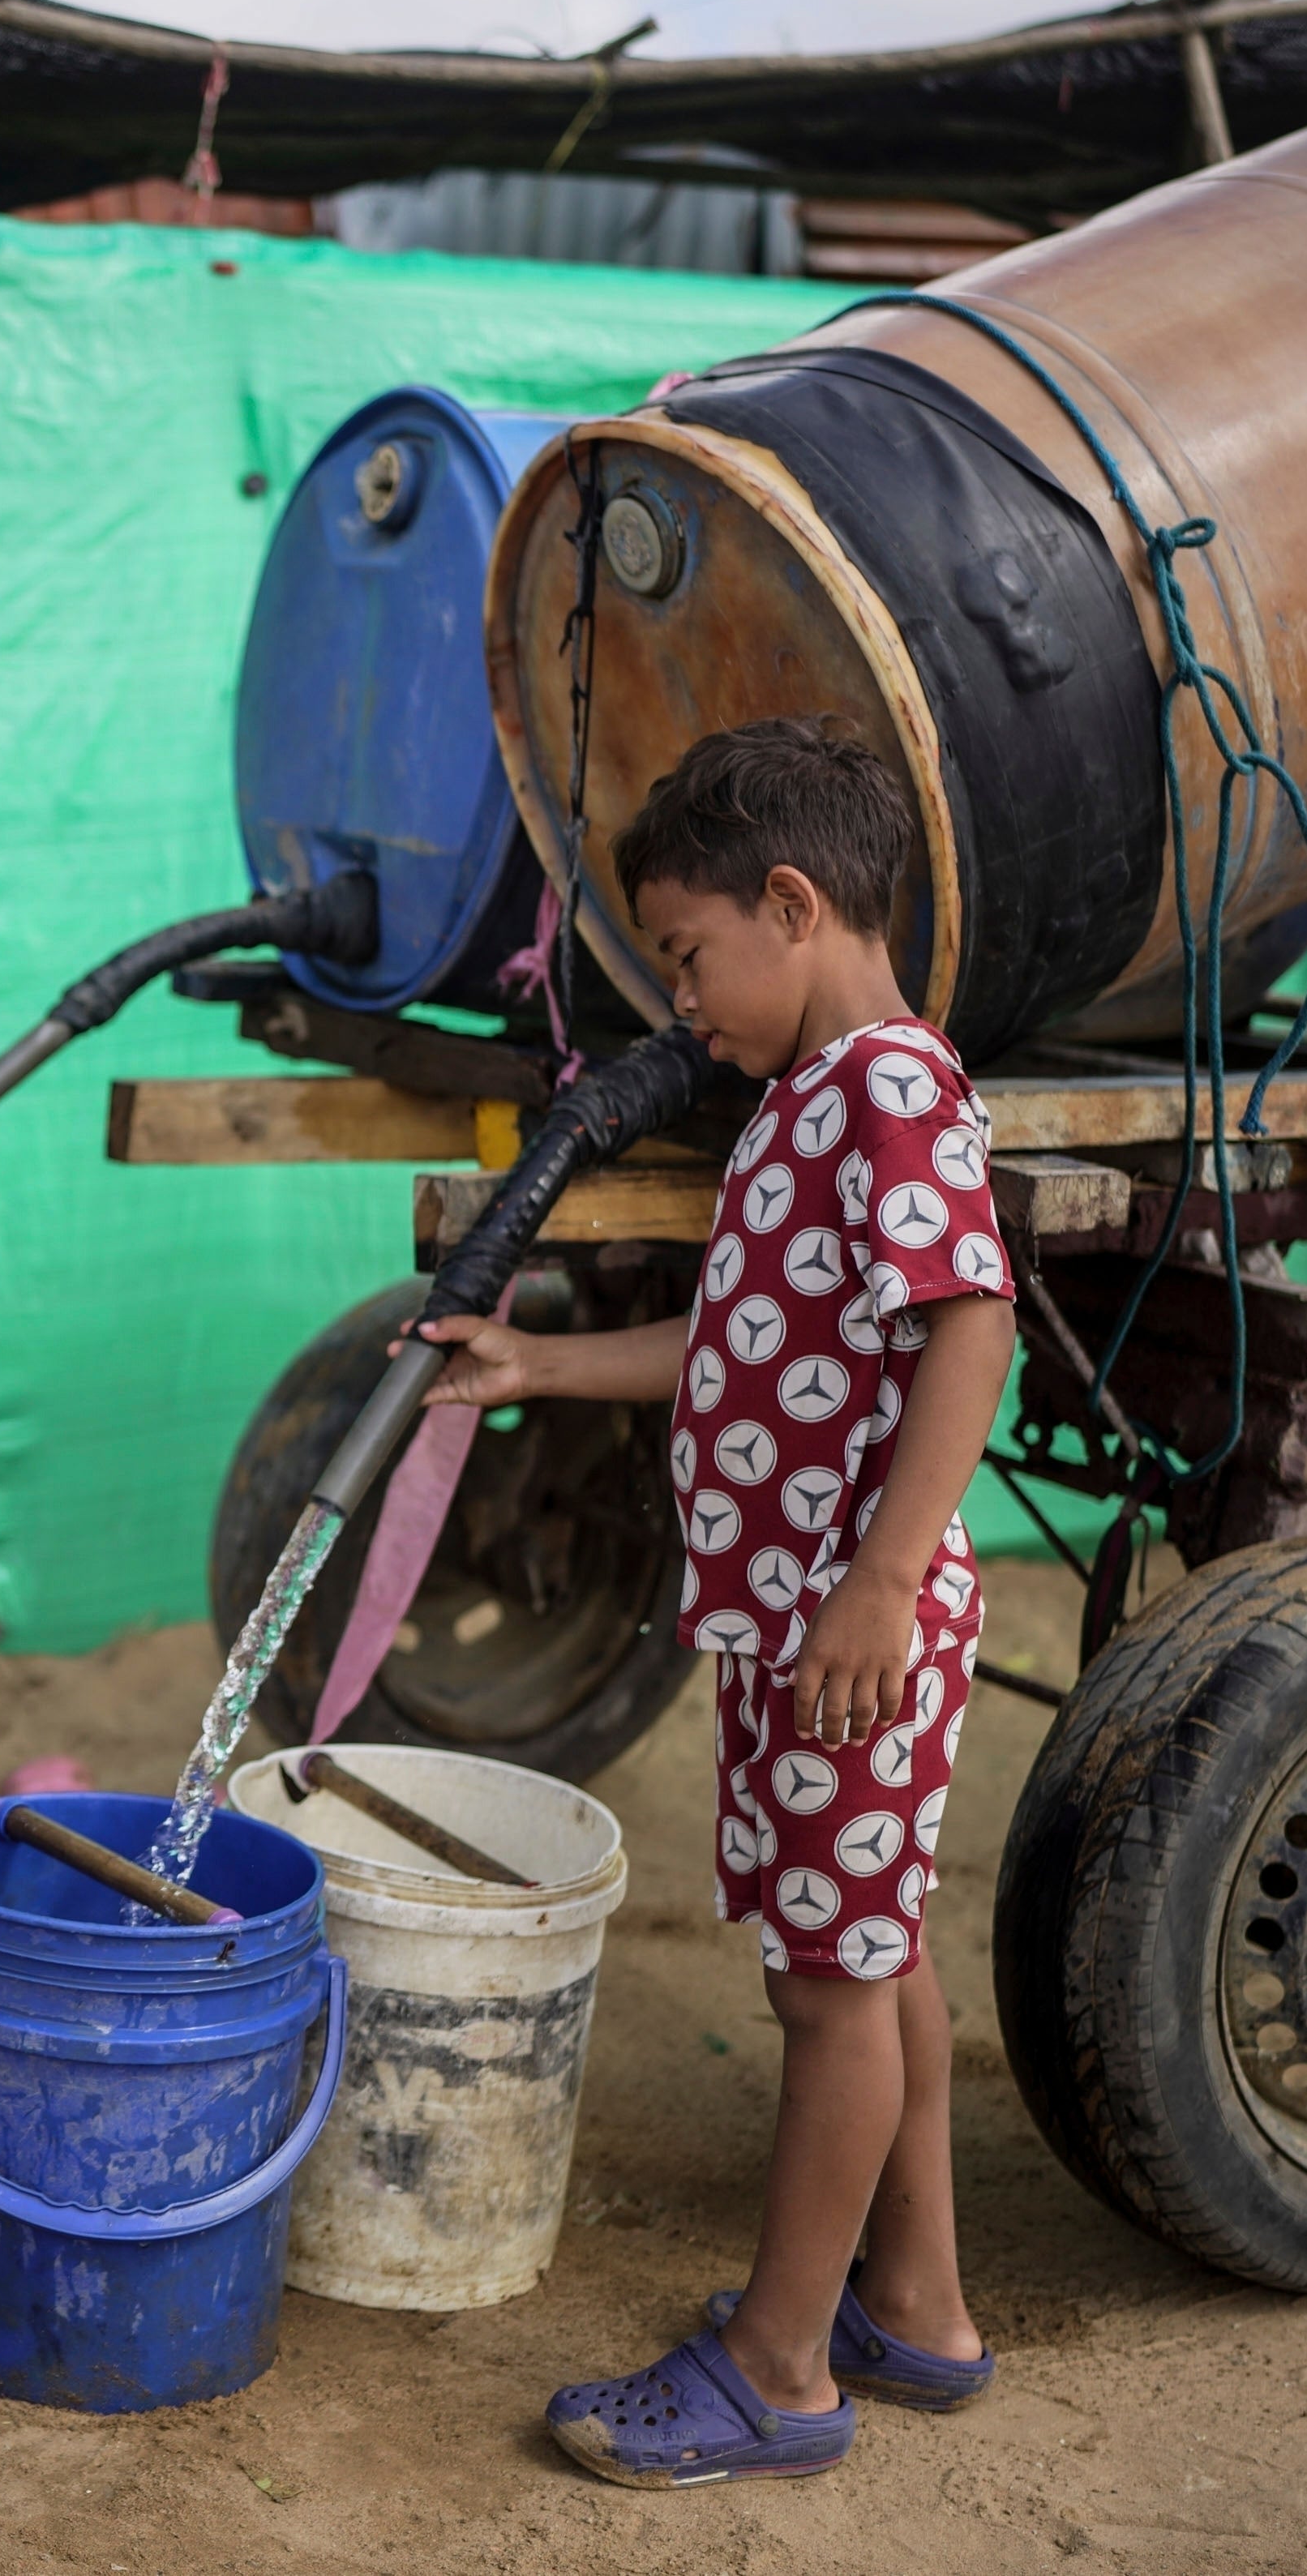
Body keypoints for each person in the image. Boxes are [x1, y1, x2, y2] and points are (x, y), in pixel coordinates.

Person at [409, 719, 1018, 2487]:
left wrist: (880, 1581)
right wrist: (535, 1360)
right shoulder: (806, 1104)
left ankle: (778, 2366)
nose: (678, 1002)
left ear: (794, 903)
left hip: (850, 1627)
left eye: (688, 955)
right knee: (868, 1957)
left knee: (832, 1991)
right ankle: (916, 2303)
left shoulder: (888, 1086)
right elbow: (738, 1343)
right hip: (796, 1622)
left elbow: (970, 1317)